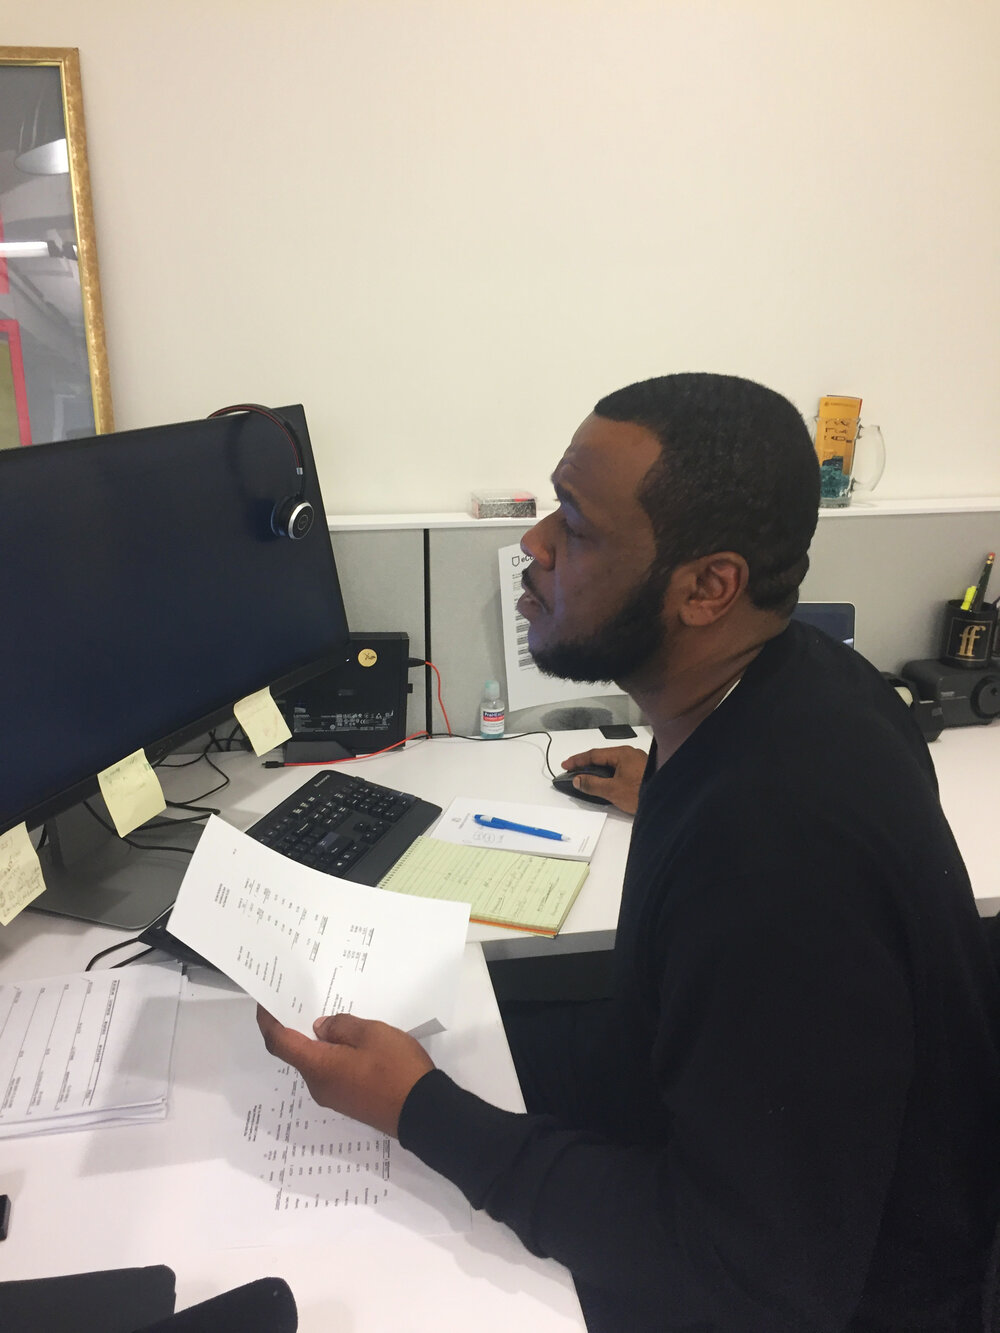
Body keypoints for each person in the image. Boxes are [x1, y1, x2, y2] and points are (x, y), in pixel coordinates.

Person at [258, 373, 1000, 1332]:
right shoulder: (811, 685)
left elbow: (752, 1279)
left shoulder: (773, 857)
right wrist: (678, 794)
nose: (533, 545)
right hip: (751, 1149)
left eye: (574, 523)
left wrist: (417, 1110)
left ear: (707, 587)